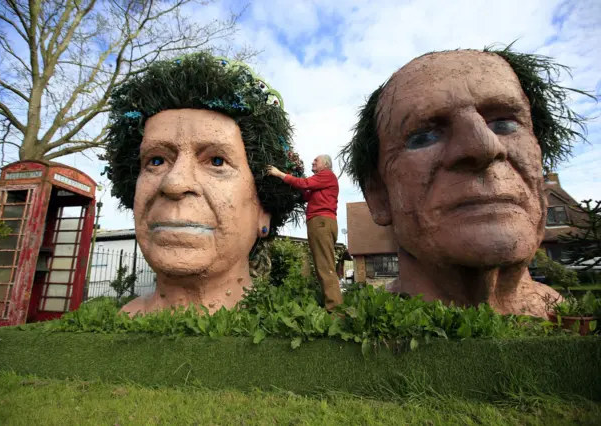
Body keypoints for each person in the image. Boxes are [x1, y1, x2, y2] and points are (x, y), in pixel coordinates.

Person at [339, 46, 591, 319]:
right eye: (423, 136)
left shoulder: (573, 317)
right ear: (379, 196)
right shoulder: (356, 334)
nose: (483, 146)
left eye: (505, 124)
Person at [102, 53, 305, 315]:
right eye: (156, 160)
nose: (174, 183)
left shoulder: (287, 333)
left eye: (217, 161)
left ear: (264, 211)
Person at [267, 155, 343, 311]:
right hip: (318, 223)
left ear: (326, 165)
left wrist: (280, 174)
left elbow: (304, 183)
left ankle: (335, 310)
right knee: (322, 264)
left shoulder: (327, 175)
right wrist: (292, 177)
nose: (313, 162)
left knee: (325, 265)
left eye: (316, 160)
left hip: (321, 222)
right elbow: (304, 193)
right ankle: (332, 305)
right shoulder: (320, 182)